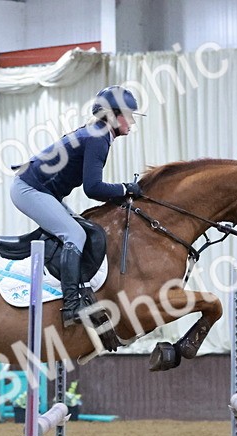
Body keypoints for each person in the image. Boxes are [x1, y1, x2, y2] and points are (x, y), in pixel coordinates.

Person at [11, 85, 144, 327]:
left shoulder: (97, 133)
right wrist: (125, 189)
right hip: (29, 189)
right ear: (114, 115)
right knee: (75, 234)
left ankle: (72, 291)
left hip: (41, 190)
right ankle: (71, 306)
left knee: (83, 228)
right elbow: (93, 188)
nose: (132, 122)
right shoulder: (98, 138)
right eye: (129, 115)